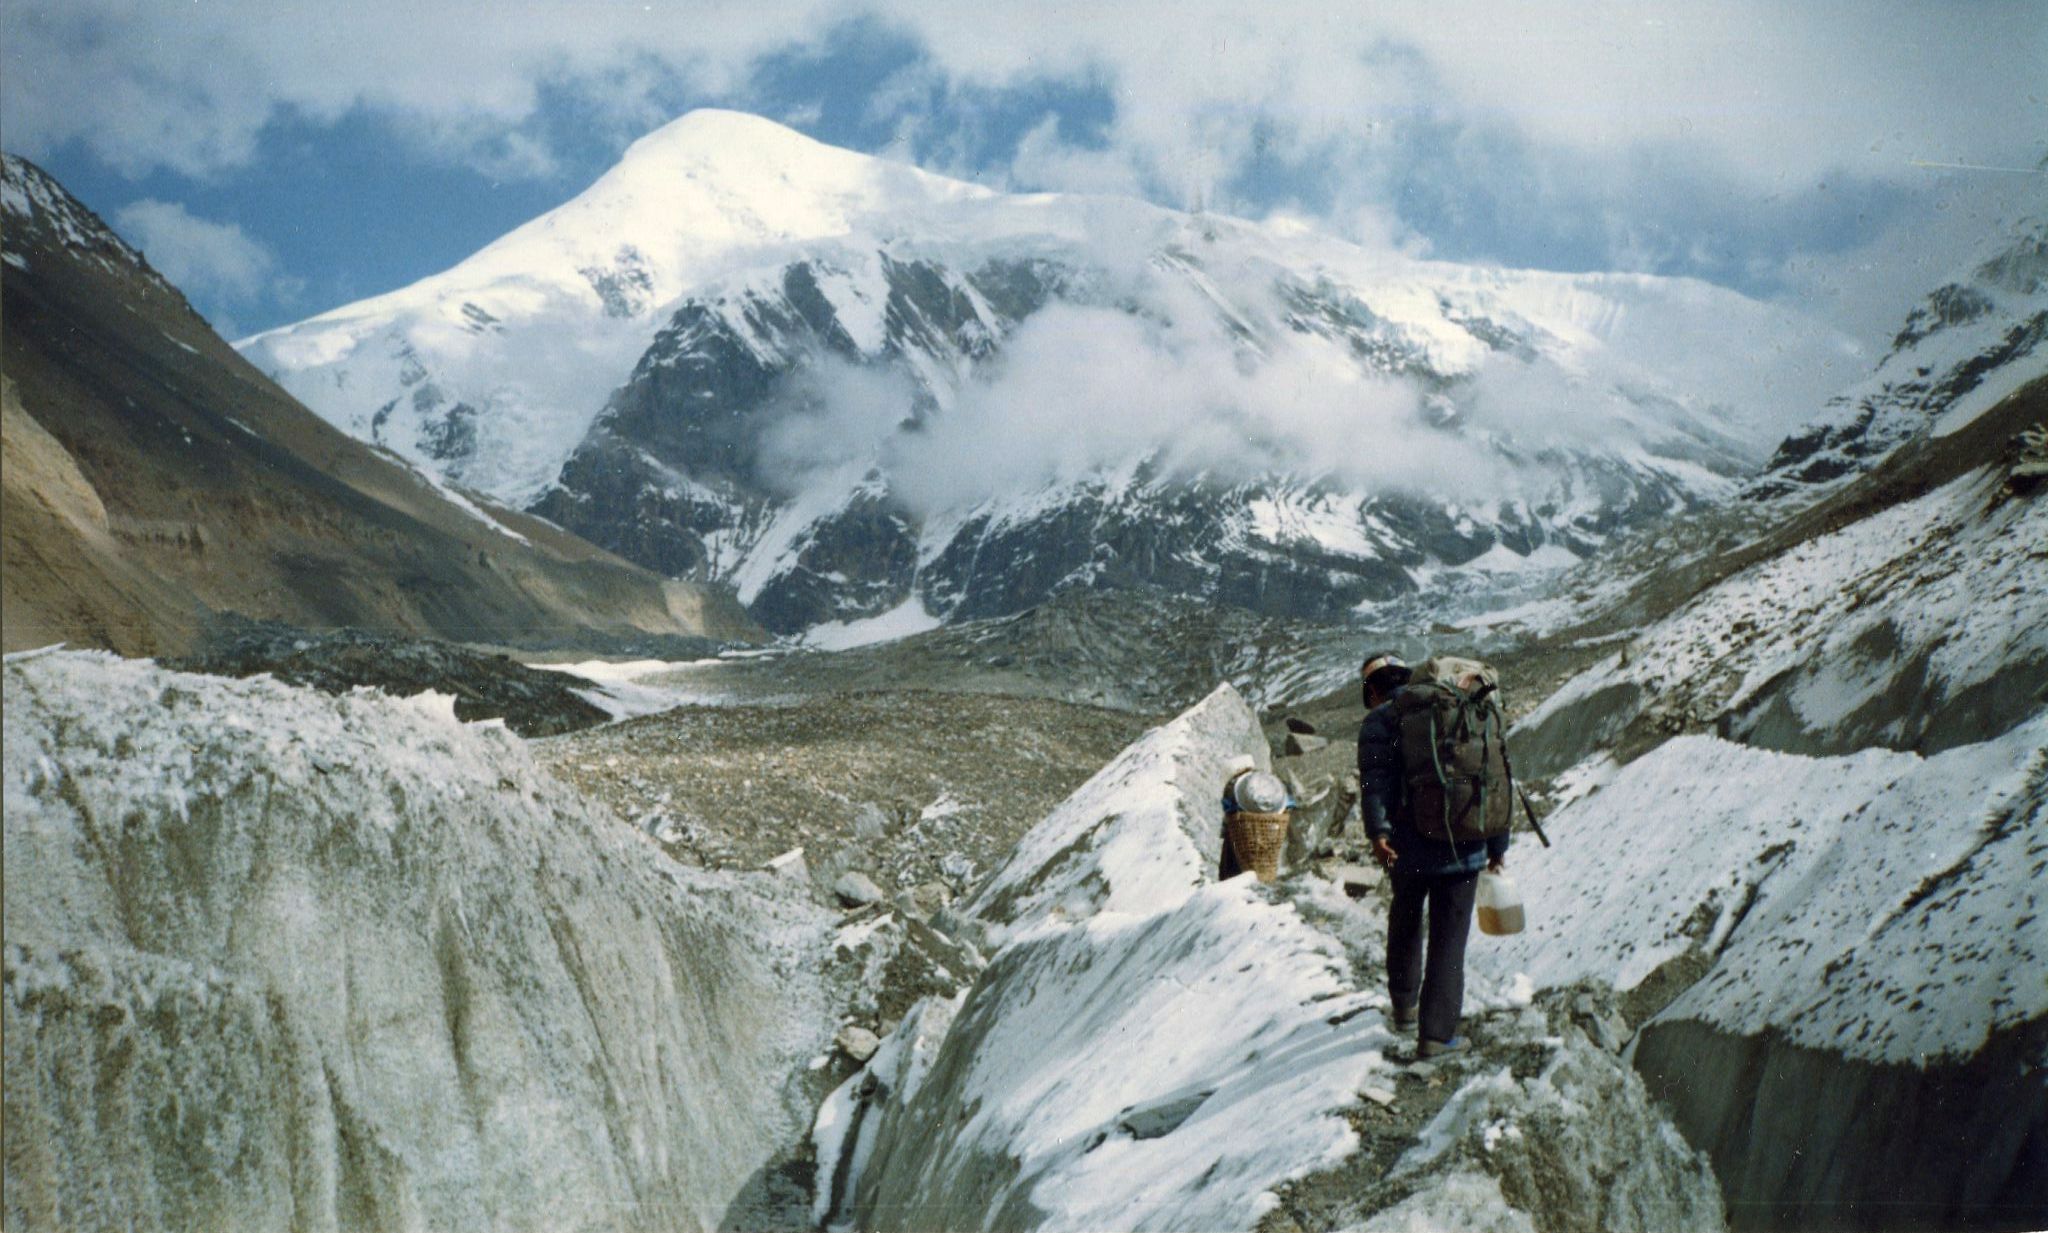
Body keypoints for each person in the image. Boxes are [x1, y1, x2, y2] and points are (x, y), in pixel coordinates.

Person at [1357, 651, 1509, 1058]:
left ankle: (1405, 1008)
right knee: (1449, 941)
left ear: (1372, 690)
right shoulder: (1463, 707)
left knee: (1405, 920)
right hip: (1467, 846)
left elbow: (1375, 784)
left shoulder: (1378, 721)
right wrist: (1497, 845)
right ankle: (1437, 1037)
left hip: (1407, 846)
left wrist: (1378, 832)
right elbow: (1495, 776)